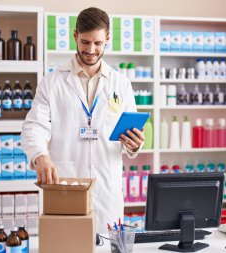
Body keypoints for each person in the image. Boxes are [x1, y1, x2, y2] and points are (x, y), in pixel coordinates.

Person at [21, 7, 145, 233]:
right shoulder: (52, 82)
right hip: (67, 188)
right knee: (67, 245)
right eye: (85, 42)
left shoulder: (121, 84)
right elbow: (34, 126)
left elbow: (131, 136)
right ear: (74, 35)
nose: (90, 50)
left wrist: (135, 144)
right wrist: (40, 155)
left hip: (107, 192)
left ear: (107, 38)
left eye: (98, 43)